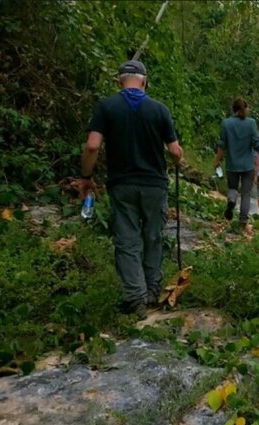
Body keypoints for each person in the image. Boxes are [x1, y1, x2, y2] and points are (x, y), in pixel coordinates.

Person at [78, 60, 183, 321]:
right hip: (154, 185)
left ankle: (135, 298)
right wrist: (178, 159)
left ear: (119, 81)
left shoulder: (107, 107)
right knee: (153, 237)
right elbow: (174, 151)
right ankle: (153, 291)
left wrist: (86, 177)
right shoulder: (159, 110)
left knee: (127, 240)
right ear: (145, 81)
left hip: (122, 184)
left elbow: (92, 146)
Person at [213, 97, 259, 227]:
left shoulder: (226, 123)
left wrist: (217, 160)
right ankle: (243, 221)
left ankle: (231, 201)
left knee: (232, 188)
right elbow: (256, 143)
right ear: (244, 108)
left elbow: (222, 145)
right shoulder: (251, 123)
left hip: (232, 164)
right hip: (247, 165)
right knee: (246, 193)